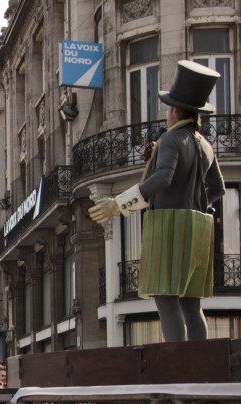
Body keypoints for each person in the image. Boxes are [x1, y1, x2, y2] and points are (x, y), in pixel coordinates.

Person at [89, 61, 225, 342]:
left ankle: (175, 365)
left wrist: (118, 203)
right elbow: (218, 187)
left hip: (168, 224)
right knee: (191, 302)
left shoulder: (171, 138)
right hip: (199, 227)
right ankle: (201, 363)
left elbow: (163, 177)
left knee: (165, 296)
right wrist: (197, 205)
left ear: (175, 110)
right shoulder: (205, 144)